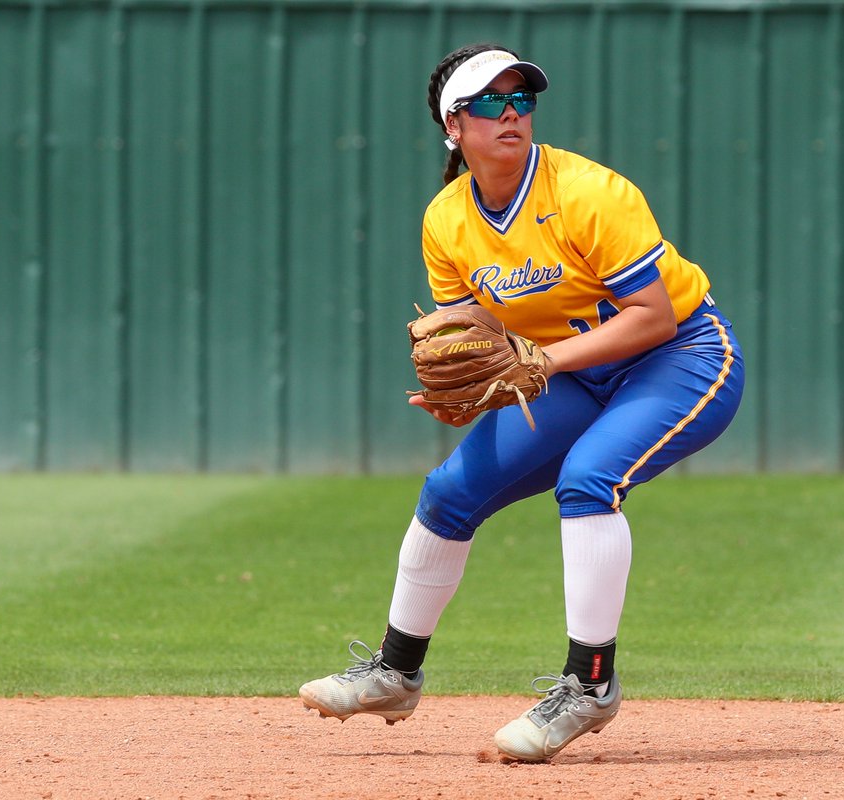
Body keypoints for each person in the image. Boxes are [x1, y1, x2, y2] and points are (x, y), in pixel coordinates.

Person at [299, 42, 744, 762]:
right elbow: (474, 337)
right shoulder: (447, 219)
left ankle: (590, 685)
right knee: (450, 491)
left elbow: (654, 317)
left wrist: (541, 363)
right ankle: (395, 672)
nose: (510, 113)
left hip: (679, 357)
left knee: (590, 479)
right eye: (489, 101)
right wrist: (467, 387)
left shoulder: (590, 192)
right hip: (567, 373)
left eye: (521, 99)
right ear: (453, 125)